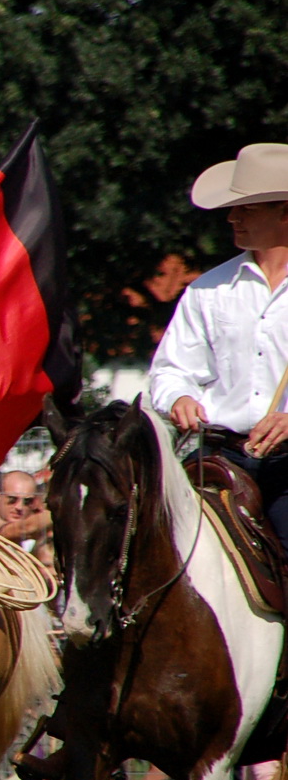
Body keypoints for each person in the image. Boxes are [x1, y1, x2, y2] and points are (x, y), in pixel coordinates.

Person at [150, 142, 288, 546]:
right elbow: (171, 369)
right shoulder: (207, 290)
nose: (232, 217)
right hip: (219, 458)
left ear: (284, 210)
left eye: (246, 208)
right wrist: (179, 397)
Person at [0, 470, 53, 565]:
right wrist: (61, 510)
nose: (19, 507)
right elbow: (23, 528)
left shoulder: (27, 536)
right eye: (12, 499)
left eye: (27, 502)